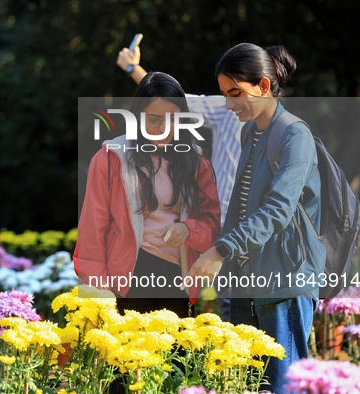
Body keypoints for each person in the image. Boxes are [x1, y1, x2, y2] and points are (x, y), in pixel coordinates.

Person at [186, 43, 325, 394]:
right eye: (224, 95)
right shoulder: (251, 131)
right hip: (249, 281)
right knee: (253, 385)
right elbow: (239, 205)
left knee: (283, 384)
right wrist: (218, 255)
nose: (229, 104)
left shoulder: (296, 135)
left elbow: (278, 208)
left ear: (263, 86)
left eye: (235, 93)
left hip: (286, 280)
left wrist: (220, 250)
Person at [74, 71, 220, 317]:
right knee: (131, 354)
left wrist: (188, 229)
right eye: (154, 120)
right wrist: (99, 291)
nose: (164, 129)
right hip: (127, 278)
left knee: (175, 353)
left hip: (178, 278)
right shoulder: (111, 158)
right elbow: (92, 229)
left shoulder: (197, 162)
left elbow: (212, 223)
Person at [117, 44, 239, 320]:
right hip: (220, 225)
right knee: (231, 302)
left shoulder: (284, 132)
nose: (230, 99)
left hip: (250, 228)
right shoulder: (228, 108)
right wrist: (133, 69)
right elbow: (174, 100)